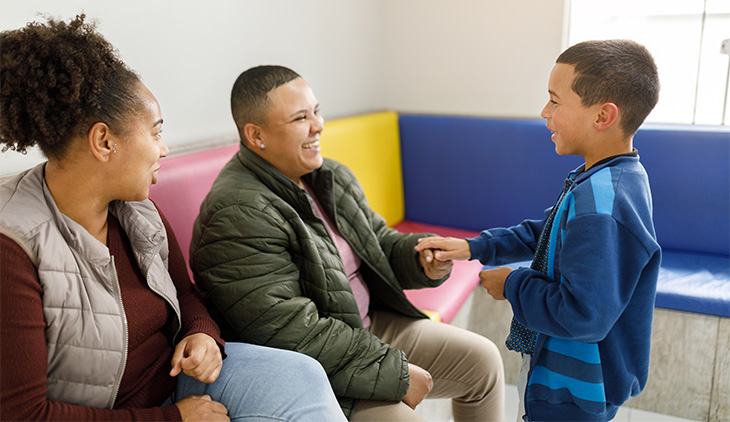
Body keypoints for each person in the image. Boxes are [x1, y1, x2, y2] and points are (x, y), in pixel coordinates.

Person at [0, 15, 345, 422]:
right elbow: (23, 414)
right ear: (104, 141)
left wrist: (201, 331)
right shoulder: (14, 246)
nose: (164, 150)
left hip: (176, 383)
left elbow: (185, 293)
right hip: (121, 414)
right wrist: (174, 419)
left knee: (304, 373)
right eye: (155, 132)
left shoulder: (136, 206)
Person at [189, 65, 505, 421]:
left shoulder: (329, 177)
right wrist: (395, 376)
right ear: (255, 135)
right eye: (300, 118)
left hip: (364, 329)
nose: (318, 125)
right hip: (312, 370)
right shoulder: (238, 211)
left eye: (317, 111)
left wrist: (420, 260)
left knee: (484, 361)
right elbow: (290, 333)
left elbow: (377, 243)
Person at [415, 39, 662, 421]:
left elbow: (583, 314)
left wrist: (510, 285)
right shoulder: (604, 178)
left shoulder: (602, 199)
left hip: (576, 391)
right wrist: (471, 248)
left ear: (603, 116)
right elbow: (545, 232)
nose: (544, 112)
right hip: (564, 378)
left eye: (555, 101)